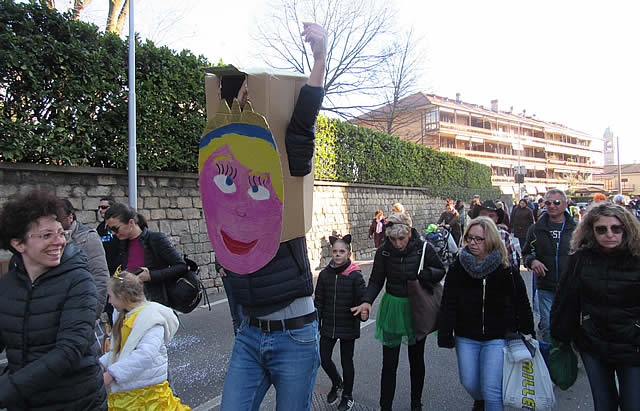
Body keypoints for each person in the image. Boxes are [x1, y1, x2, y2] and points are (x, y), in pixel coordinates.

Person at [218, 23, 327, 411]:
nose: (247, 103)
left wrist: (319, 58)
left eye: (252, 97)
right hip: (249, 334)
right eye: (241, 98)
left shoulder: (286, 165)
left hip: (293, 335)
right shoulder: (225, 175)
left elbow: (303, 123)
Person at [0, 190, 107, 410]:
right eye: (47, 235)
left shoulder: (79, 280)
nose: (59, 241)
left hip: (76, 402)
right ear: (19, 244)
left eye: (60, 233)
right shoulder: (7, 285)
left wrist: (8, 389)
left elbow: (70, 350)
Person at [438, 217, 534, 411]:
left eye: (478, 239)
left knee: (492, 390)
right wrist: (446, 334)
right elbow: (448, 302)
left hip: (497, 337)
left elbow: (521, 302)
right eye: (469, 238)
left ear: (490, 240)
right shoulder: (458, 268)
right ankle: (480, 400)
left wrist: (527, 330)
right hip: (466, 336)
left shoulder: (506, 269)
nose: (472, 243)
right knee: (469, 382)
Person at [550, 203, 640, 411]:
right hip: (593, 343)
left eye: (616, 228)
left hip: (633, 345)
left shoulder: (636, 259)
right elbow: (566, 299)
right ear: (591, 231)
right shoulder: (581, 259)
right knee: (604, 403)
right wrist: (561, 336)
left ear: (626, 229)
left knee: (633, 404)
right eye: (601, 229)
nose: (609, 234)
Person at [351, 212, 445, 411]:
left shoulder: (423, 248)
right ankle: (385, 406)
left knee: (416, 360)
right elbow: (376, 279)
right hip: (392, 307)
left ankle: (416, 403)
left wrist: (425, 274)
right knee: (389, 363)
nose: (397, 244)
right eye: (393, 239)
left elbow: (440, 270)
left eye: (401, 238)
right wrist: (366, 301)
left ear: (409, 232)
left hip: (416, 307)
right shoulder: (384, 251)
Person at [100, 272, 190, 410]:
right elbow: (122, 351)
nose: (109, 302)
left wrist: (112, 374)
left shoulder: (151, 320)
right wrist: (102, 364)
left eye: (111, 296)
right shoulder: (125, 318)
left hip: (147, 395)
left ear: (123, 296)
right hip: (130, 392)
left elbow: (145, 355)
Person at [314, 234, 366, 411]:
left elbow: (363, 300)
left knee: (347, 362)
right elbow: (319, 301)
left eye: (342, 251)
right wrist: (317, 322)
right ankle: (337, 382)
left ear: (348, 253)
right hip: (328, 325)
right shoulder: (324, 275)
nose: (338, 254)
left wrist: (363, 313)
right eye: (335, 251)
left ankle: (347, 396)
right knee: (323, 357)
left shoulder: (355, 275)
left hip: (348, 325)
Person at [522, 189, 576, 349]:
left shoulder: (576, 229)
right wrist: (532, 261)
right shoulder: (535, 229)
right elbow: (526, 253)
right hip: (546, 286)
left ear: (565, 204)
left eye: (556, 202)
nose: (552, 206)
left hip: (570, 288)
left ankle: (567, 358)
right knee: (547, 326)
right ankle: (550, 359)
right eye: (548, 203)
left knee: (570, 326)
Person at [104, 202, 186, 306]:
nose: (113, 233)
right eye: (109, 229)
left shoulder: (155, 239)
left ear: (131, 222)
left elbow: (181, 266)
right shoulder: (120, 243)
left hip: (153, 302)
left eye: (115, 228)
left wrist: (151, 276)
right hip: (128, 303)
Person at [57, 198, 109, 320]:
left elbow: (100, 276)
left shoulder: (88, 238)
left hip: (81, 309)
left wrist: (93, 312)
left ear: (70, 217)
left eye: (58, 220)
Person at [469, 200, 520, 267]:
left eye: (491, 216)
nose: (487, 218)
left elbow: (512, 263)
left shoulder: (503, 235)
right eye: (483, 215)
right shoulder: (470, 233)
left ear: (496, 219)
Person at [96, 196, 121, 275]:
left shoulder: (120, 226)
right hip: (105, 268)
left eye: (104, 207)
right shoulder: (100, 227)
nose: (100, 210)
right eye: (99, 207)